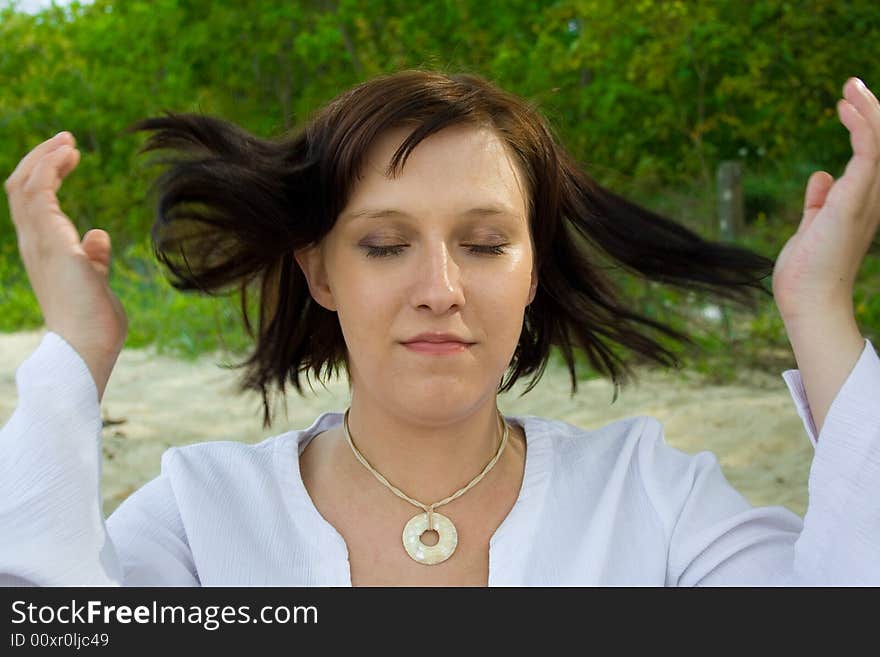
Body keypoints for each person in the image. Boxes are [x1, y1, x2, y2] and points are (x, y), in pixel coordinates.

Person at [1, 69, 878, 586]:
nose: (440, 288)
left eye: (486, 242)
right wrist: (76, 351)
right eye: (385, 245)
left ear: (533, 269)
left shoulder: (654, 497)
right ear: (320, 270)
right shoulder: (201, 515)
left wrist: (817, 309)